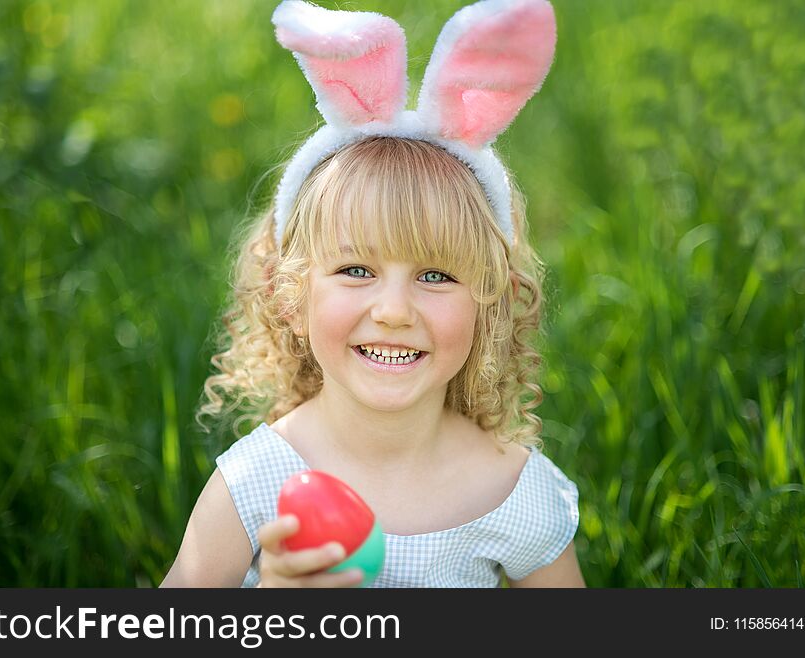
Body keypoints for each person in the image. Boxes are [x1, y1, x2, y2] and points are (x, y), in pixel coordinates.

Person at [161, 0, 585, 588]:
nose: (391, 311)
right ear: (291, 298)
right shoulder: (259, 482)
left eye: (436, 276)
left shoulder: (509, 490)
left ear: (488, 306)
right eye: (356, 270)